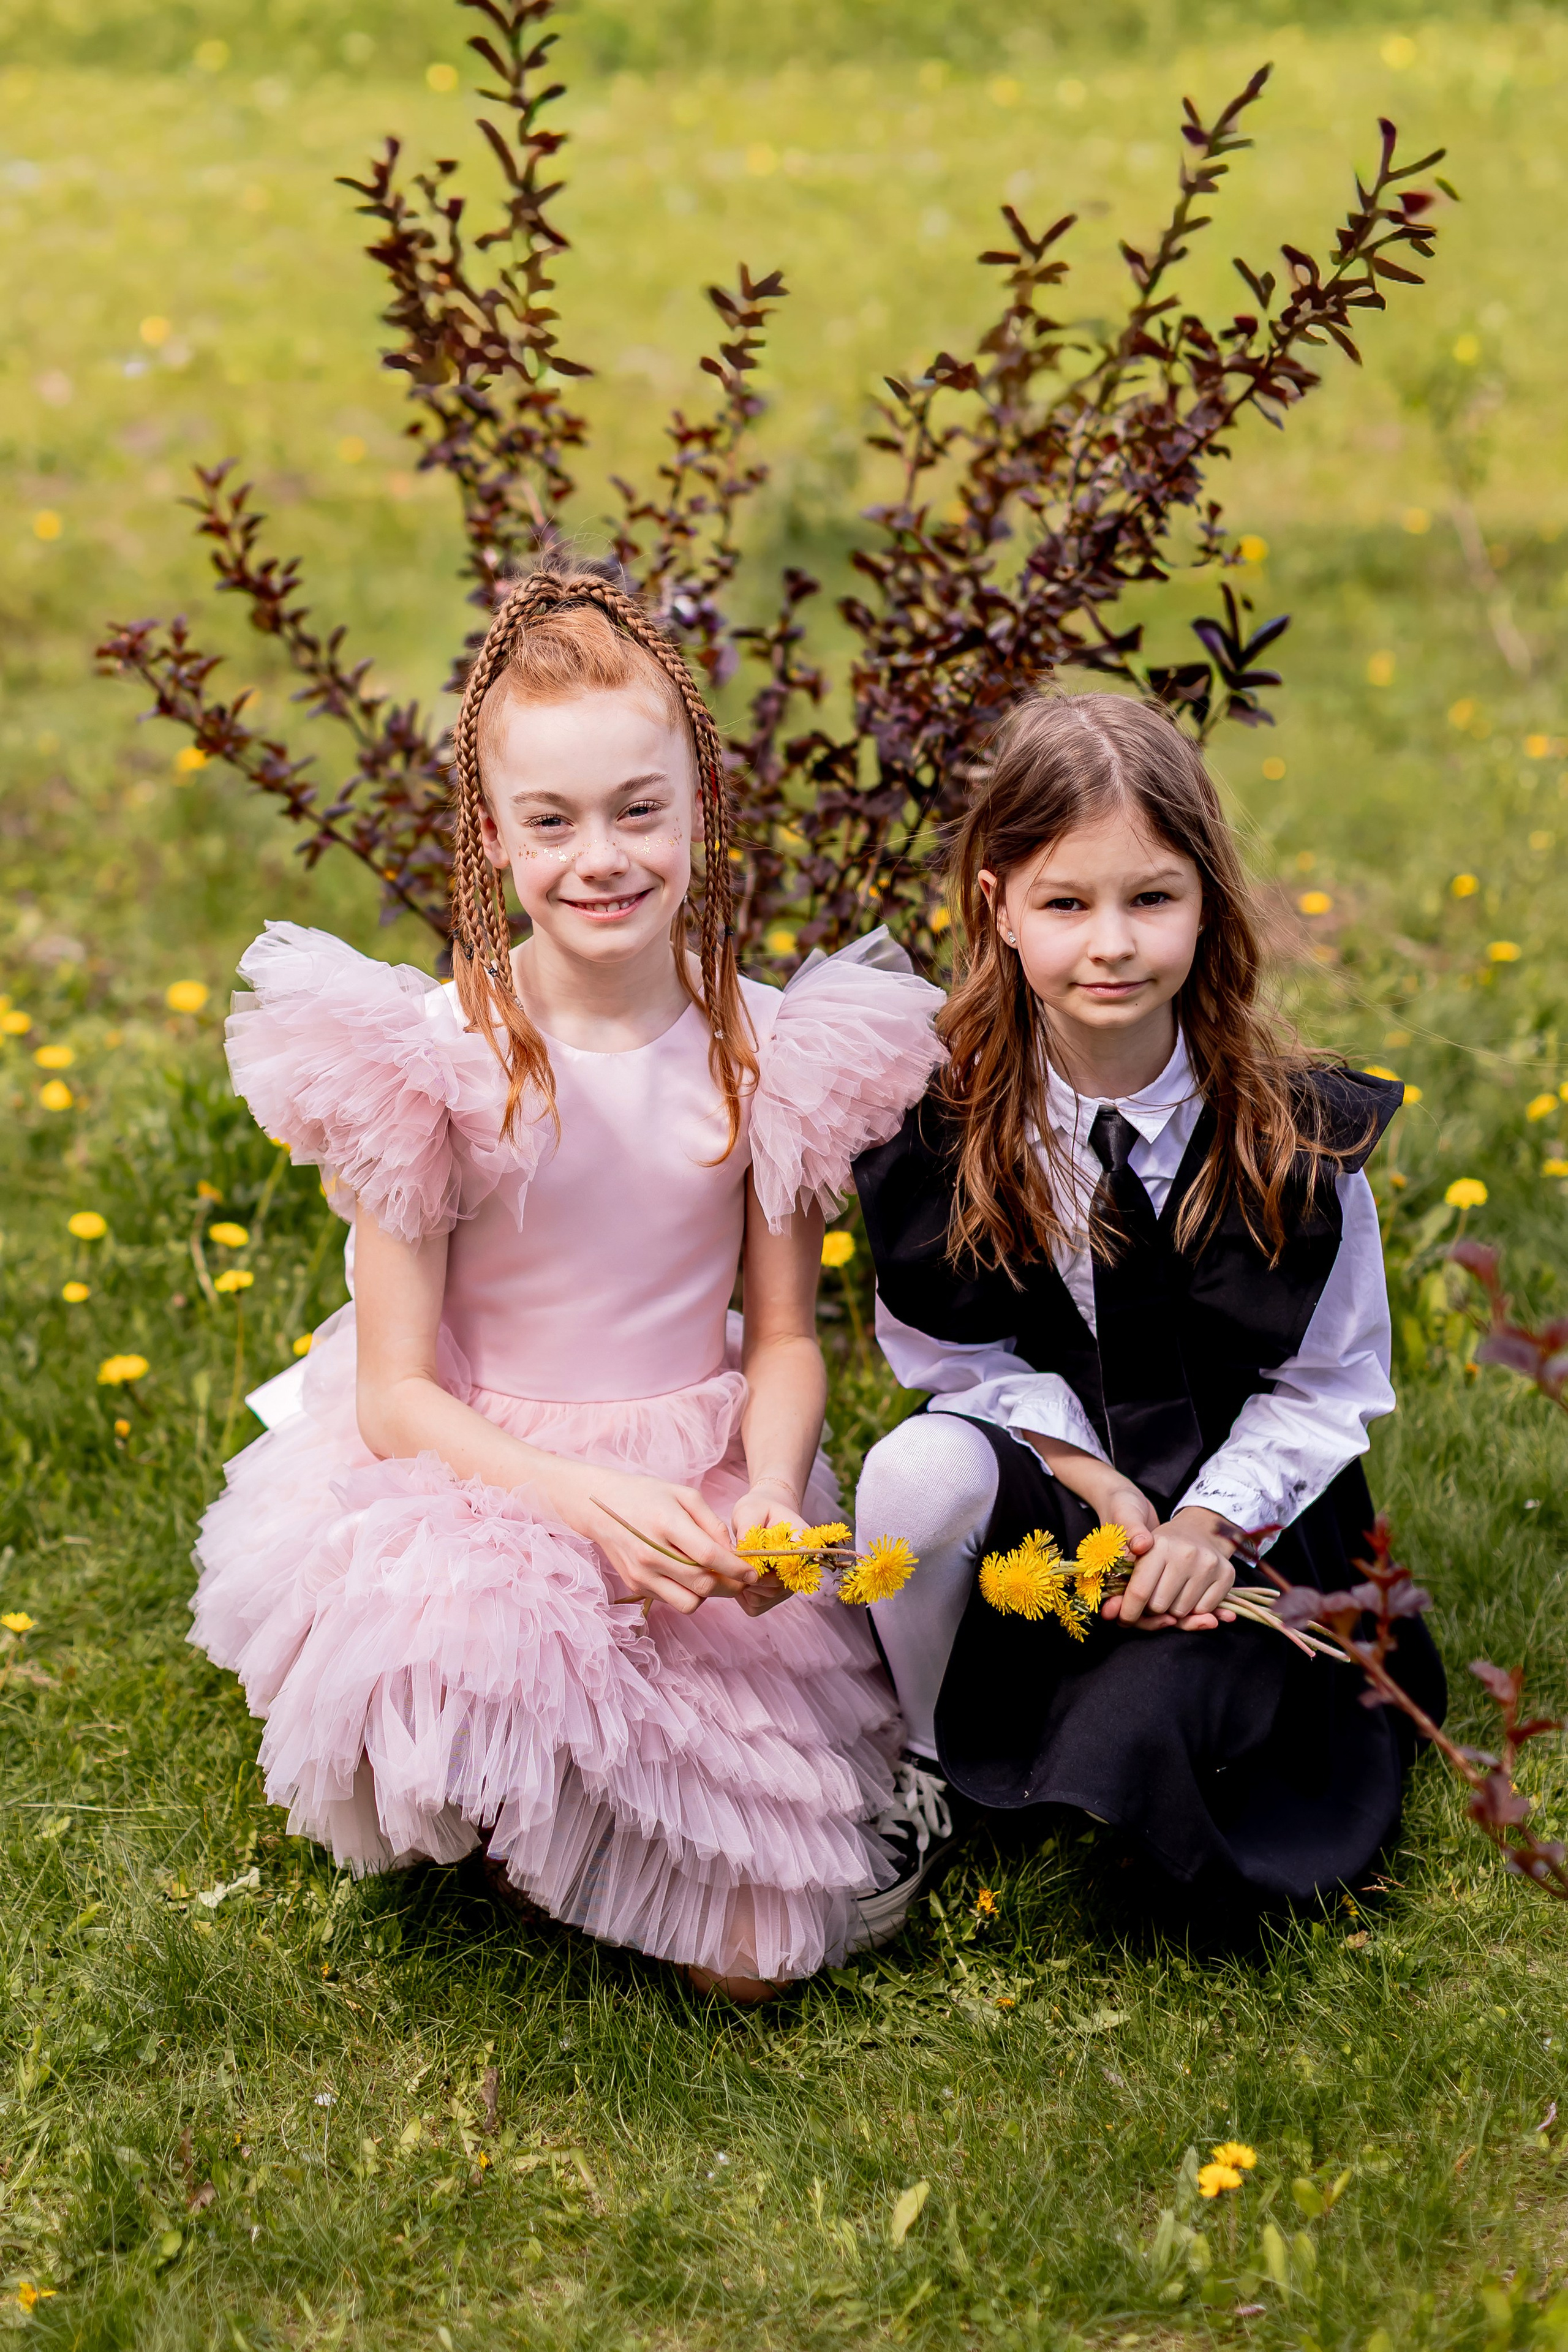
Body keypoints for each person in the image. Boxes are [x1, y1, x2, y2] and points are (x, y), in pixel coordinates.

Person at [190, 563, 946, 2002]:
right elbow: (397, 1395)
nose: (599, 856)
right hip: (474, 1475)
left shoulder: (764, 1050)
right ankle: (504, 1789)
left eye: (636, 809)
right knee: (470, 1647)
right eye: (551, 821)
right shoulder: (426, 1056)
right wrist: (574, 1498)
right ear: (492, 832)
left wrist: (772, 1492)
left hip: (686, 1466)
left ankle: (579, 1803)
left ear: (696, 809)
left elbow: (785, 1339)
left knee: (756, 1963)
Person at [851, 690, 1446, 1943]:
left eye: (1148, 899)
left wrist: (1202, 1525)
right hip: (1055, 1481)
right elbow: (944, 1349)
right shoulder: (949, 1128)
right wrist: (1080, 1473)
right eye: (1065, 904)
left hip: (1243, 1513)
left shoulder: (1292, 1138)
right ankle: (913, 1760)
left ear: (1204, 904)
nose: (1108, 943)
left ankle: (1119, 1714)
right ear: (995, 907)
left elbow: (1330, 1384)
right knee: (911, 1472)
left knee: (1142, 1750)